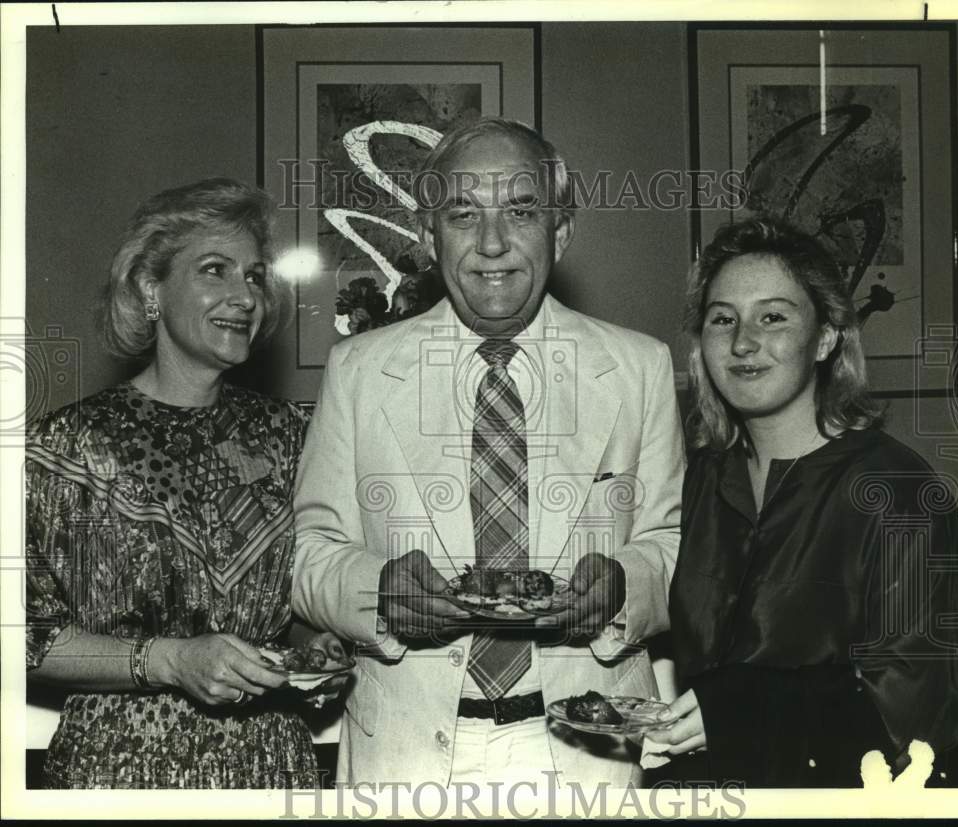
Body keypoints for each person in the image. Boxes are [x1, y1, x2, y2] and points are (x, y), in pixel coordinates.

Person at [293, 118, 685, 787]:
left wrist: (622, 586)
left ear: (560, 231)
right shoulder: (358, 370)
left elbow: (675, 544)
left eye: (522, 212)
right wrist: (379, 593)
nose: (494, 243)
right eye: (463, 214)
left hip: (585, 754)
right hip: (405, 756)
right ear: (426, 235)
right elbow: (309, 552)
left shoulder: (639, 367)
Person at [25, 178, 346, 788]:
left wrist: (316, 642)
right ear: (151, 290)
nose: (244, 297)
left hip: (271, 767)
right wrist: (170, 660)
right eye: (214, 271)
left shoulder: (289, 434)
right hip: (120, 769)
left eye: (254, 276)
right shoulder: (64, 446)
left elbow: (300, 591)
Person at [645, 216, 958, 787]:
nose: (743, 342)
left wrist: (742, 706)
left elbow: (923, 710)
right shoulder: (698, 476)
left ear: (825, 338)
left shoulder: (896, 491)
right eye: (722, 319)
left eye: (772, 317)